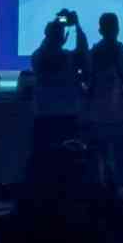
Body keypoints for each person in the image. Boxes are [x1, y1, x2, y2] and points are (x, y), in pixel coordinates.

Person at [86, 13, 123, 187]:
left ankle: (102, 194)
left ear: (100, 30)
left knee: (100, 162)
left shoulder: (92, 55)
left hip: (99, 116)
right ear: (118, 29)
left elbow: (88, 85)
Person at [31, 10, 88, 152]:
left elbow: (47, 44)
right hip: (68, 114)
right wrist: (77, 25)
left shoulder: (37, 57)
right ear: (63, 38)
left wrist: (58, 22)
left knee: (44, 156)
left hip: (43, 114)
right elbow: (83, 51)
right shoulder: (70, 58)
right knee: (69, 157)